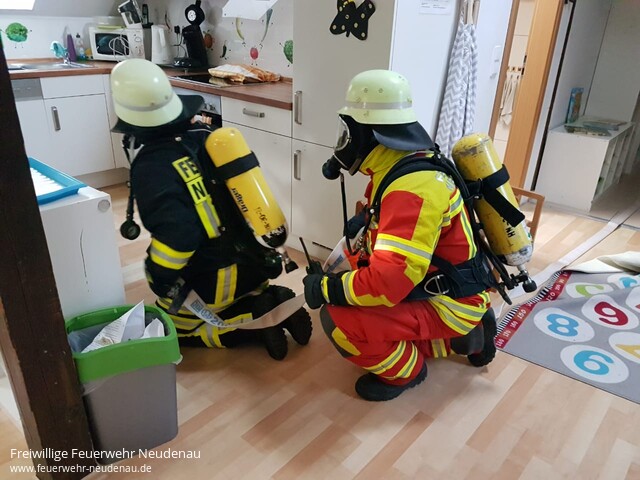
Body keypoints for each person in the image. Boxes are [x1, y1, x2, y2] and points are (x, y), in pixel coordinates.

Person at [303, 70, 497, 401]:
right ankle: (466, 336)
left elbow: (388, 283)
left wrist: (326, 288)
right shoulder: (403, 164)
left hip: (447, 301)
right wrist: (362, 223)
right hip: (448, 285)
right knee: (351, 277)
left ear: (368, 131)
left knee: (338, 319)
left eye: (349, 130)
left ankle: (406, 372)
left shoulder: (411, 189)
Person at [110, 58, 312, 360]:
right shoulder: (209, 138)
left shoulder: (152, 167)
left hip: (217, 280)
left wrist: (158, 276)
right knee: (229, 288)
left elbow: (179, 238)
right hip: (256, 262)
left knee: (171, 327)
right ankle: (267, 300)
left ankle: (251, 327)